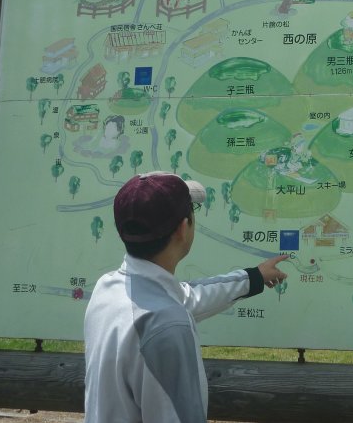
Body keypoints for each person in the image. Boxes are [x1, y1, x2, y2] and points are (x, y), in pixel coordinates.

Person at [84, 171, 288, 422]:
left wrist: (254, 277)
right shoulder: (167, 325)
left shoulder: (107, 289)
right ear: (183, 228)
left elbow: (187, 297)